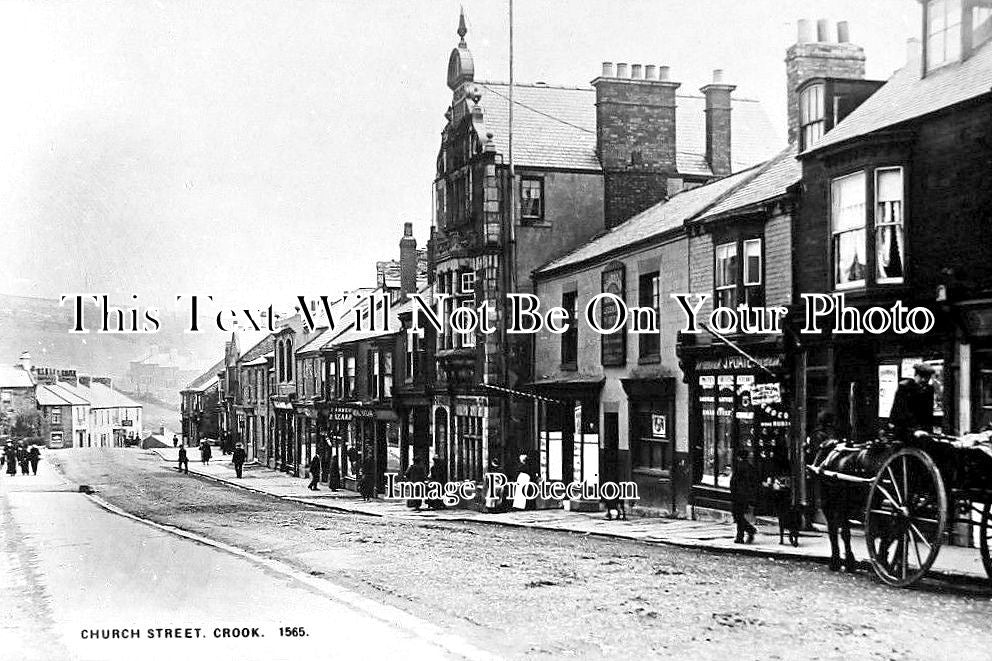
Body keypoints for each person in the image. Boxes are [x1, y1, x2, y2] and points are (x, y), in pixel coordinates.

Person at [888, 362, 936, 441]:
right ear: (916, 375)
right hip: (904, 429)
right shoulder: (905, 387)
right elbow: (902, 411)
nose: (924, 380)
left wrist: (928, 430)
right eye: (922, 377)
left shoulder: (929, 390)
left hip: (922, 431)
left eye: (927, 378)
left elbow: (928, 412)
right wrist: (914, 430)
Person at [730, 450, 758, 544]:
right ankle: (740, 536)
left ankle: (749, 531)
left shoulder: (739, 467)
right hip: (745, 496)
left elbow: (734, 482)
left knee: (737, 516)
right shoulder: (750, 467)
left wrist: (733, 492)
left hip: (738, 495)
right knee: (739, 515)